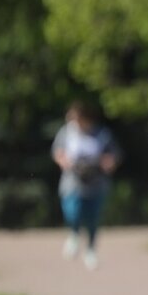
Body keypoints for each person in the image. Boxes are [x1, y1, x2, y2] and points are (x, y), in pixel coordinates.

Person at [51, 101, 121, 270]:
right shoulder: (66, 132)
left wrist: (108, 163)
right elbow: (57, 152)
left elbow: (114, 154)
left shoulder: (101, 134)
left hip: (96, 182)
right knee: (72, 211)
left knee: (92, 219)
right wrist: (63, 161)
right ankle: (74, 234)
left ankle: (90, 250)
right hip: (73, 180)